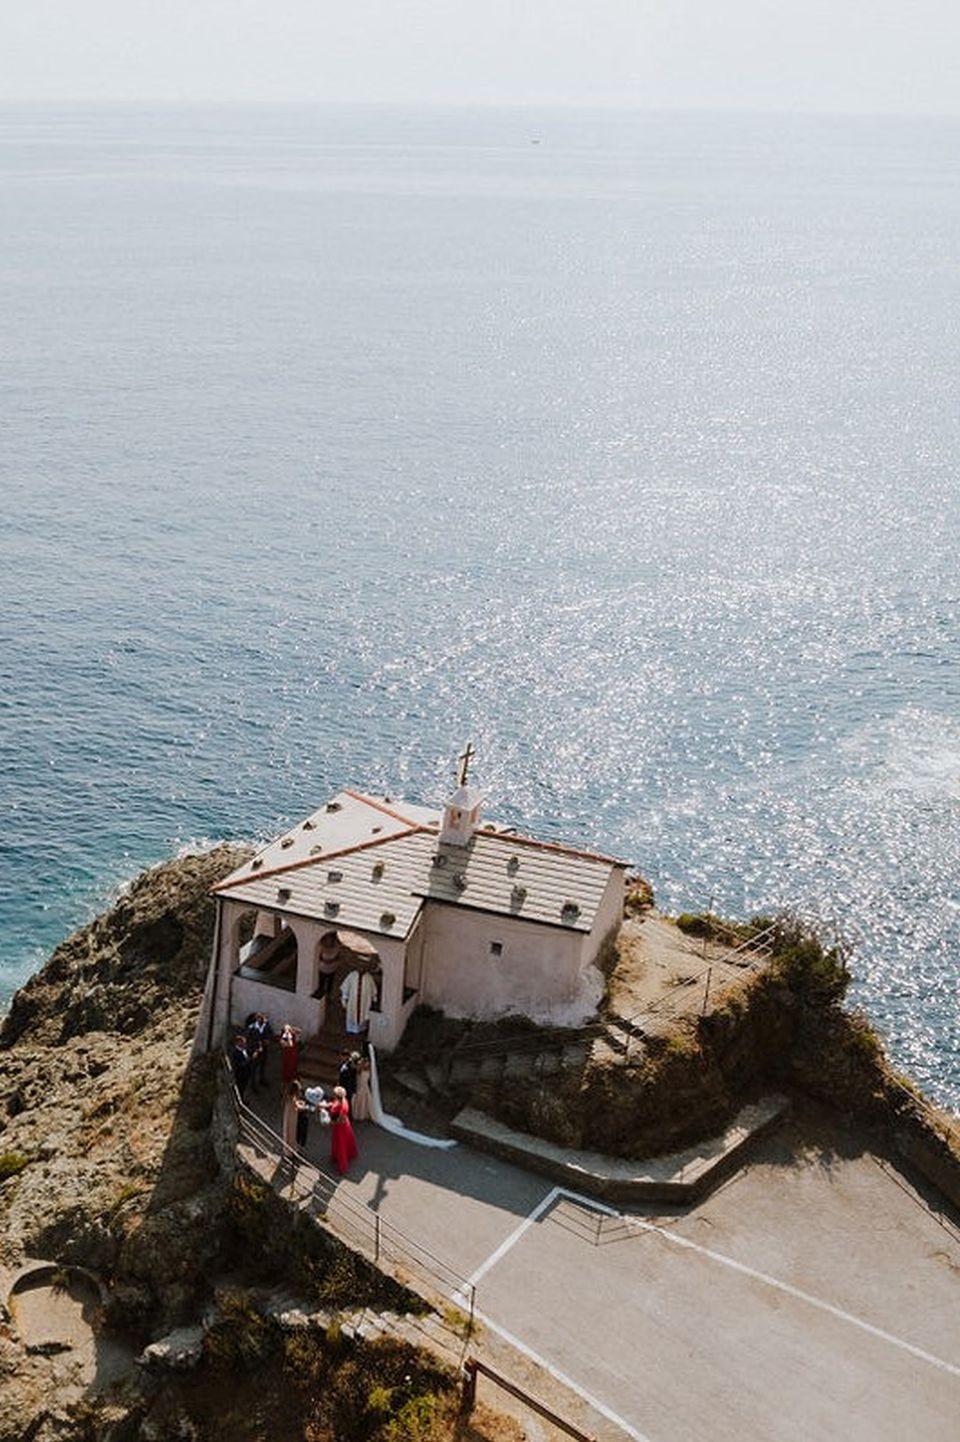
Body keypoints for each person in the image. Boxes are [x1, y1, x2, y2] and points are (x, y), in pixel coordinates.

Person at [327, 1085, 358, 1175]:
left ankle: (342, 1167)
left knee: (341, 1146)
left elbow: (340, 1119)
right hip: (344, 1126)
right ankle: (341, 1157)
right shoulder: (343, 1101)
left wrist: (330, 1122)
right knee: (342, 1143)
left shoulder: (343, 1107)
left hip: (340, 1128)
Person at [246, 1012, 272, 1089]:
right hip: (255, 1049)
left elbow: (271, 1034)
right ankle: (253, 1084)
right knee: (254, 1067)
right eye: (259, 1018)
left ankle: (262, 1079)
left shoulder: (266, 1026)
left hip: (264, 1049)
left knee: (263, 1064)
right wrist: (254, 1048)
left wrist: (267, 1040)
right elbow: (249, 1039)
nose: (261, 1020)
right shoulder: (252, 1028)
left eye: (261, 1018)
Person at [281, 1079, 307, 1152]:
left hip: (288, 1117)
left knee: (288, 1132)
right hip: (292, 1118)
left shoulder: (288, 1096)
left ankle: (288, 1150)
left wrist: (300, 1103)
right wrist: (306, 1107)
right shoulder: (292, 1098)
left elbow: (296, 1103)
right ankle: (290, 1151)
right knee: (291, 1133)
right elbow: (298, 1107)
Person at [317, 930, 341, 997]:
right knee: (322, 982)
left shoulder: (335, 947)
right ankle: (322, 993)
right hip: (322, 968)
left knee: (329, 983)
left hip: (331, 968)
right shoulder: (322, 945)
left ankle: (328, 995)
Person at [230, 1034, 252, 1099]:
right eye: (243, 1043)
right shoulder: (235, 1053)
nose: (245, 1044)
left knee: (244, 1087)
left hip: (246, 1073)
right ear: (239, 1043)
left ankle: (242, 1097)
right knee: (240, 1088)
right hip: (240, 1074)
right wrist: (249, 1060)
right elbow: (239, 1064)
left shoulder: (244, 1050)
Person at [352, 1054, 372, 1122]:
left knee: (363, 1100)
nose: (366, 1064)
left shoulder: (366, 1070)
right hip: (360, 1085)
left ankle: (362, 1114)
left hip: (363, 1086)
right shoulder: (360, 1068)